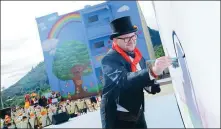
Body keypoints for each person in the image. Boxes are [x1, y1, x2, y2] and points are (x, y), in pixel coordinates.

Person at [100, 16, 172, 129]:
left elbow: (140, 79)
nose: (131, 41)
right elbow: (124, 80)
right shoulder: (109, 60)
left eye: (133, 36)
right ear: (115, 40)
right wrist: (152, 71)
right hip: (118, 117)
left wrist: (150, 86)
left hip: (136, 111)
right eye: (126, 38)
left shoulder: (139, 56)